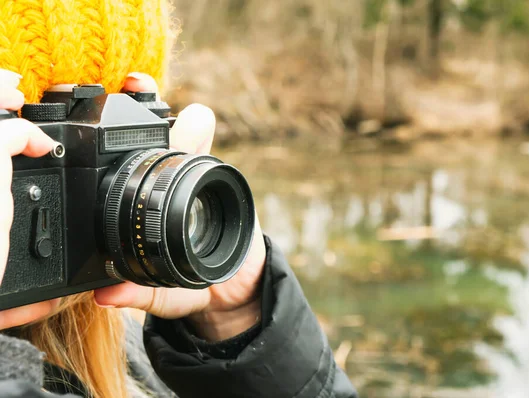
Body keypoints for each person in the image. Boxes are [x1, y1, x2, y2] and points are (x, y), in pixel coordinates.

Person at [0, 1, 358, 397]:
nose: (97, 179)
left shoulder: (132, 362)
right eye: (59, 130)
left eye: (133, 117)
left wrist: (238, 324)